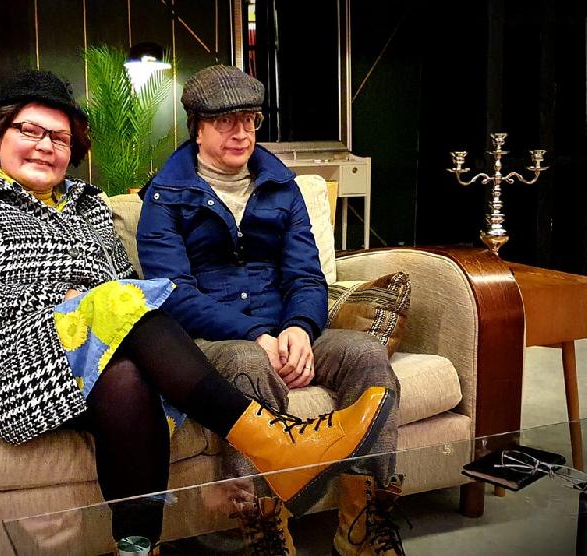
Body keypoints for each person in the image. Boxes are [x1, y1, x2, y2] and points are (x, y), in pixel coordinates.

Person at [0, 69, 393, 554]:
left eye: (59, 137)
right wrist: (73, 307)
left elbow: (128, 285)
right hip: (0, 357)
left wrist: (99, 310)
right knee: (124, 307)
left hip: (94, 357)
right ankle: (276, 442)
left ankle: (138, 546)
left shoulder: (87, 205)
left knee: (127, 375)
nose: (45, 146)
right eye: (30, 131)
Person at [137, 64, 406, 556]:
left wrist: (300, 328)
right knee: (247, 362)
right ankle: (264, 529)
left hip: (286, 328)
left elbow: (306, 275)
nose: (241, 133)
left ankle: (363, 525)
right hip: (214, 339)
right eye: (225, 122)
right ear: (197, 128)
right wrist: (256, 334)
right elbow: (173, 293)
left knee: (366, 354)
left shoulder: (283, 186)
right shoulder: (165, 197)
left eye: (249, 120)